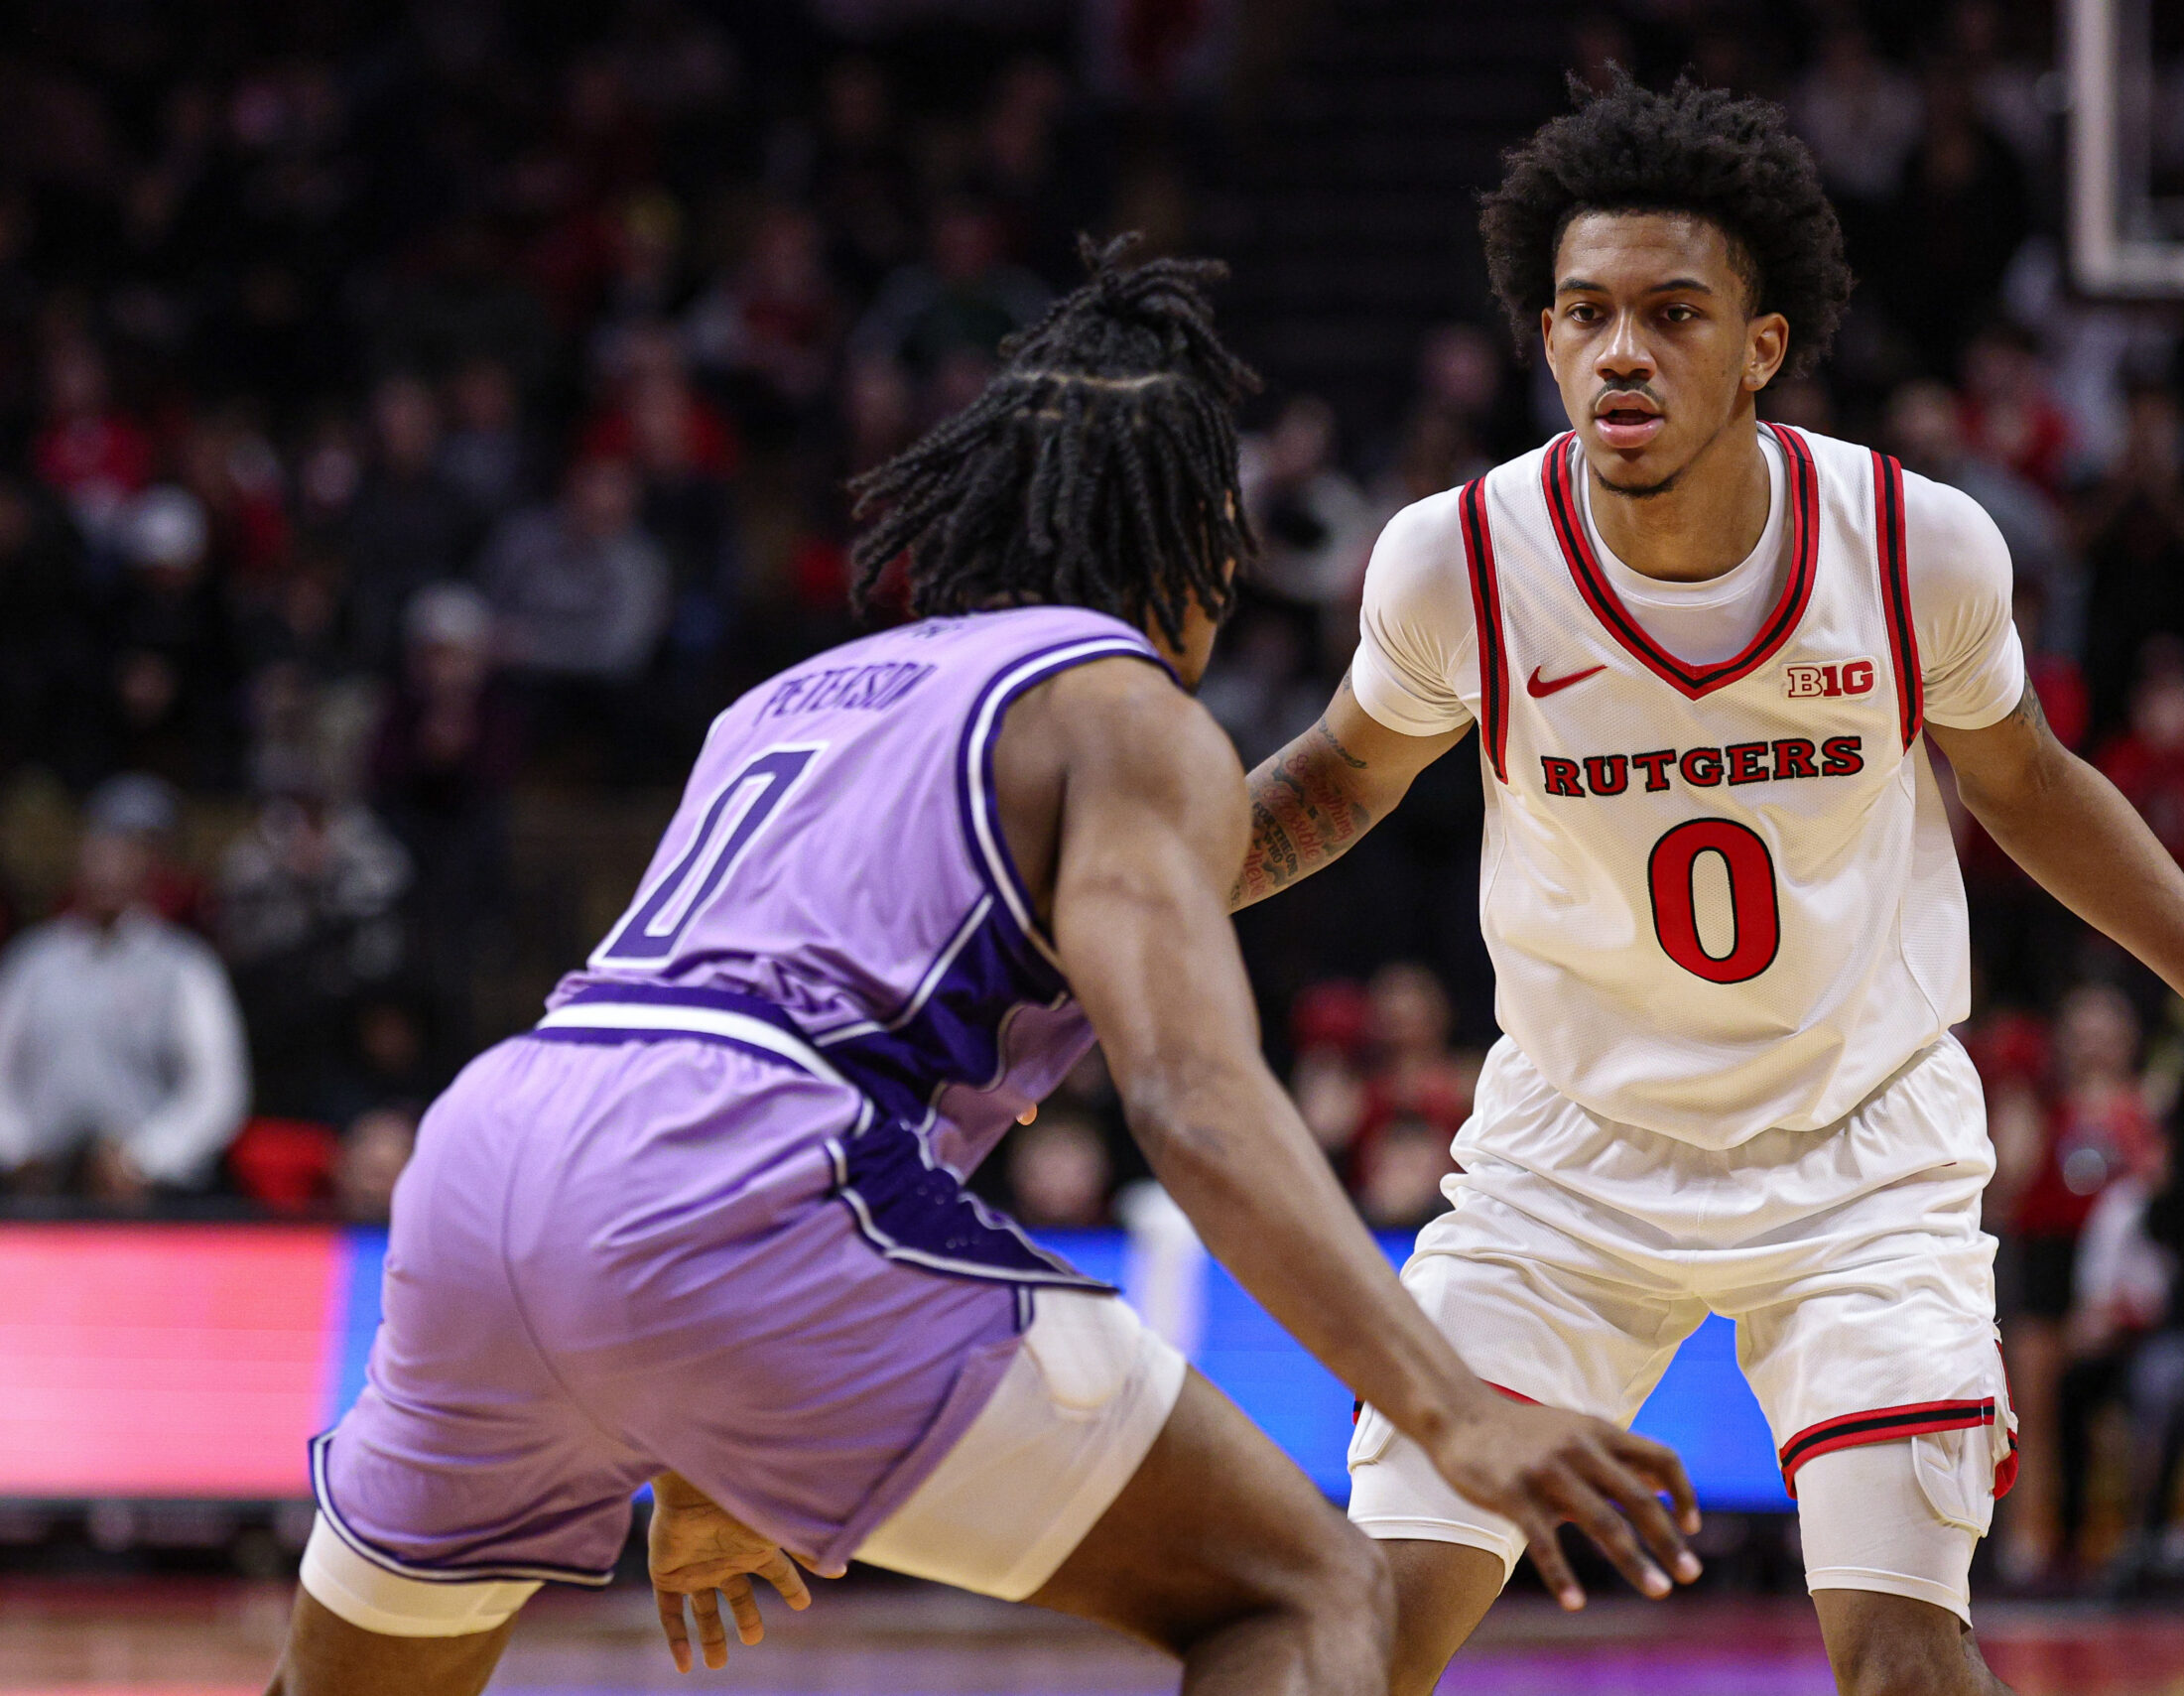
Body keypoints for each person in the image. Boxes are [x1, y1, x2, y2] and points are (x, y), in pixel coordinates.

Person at [267, 244, 1697, 1696]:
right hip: (744, 1187)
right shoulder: (1125, 712)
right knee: (1307, 1594)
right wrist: (1453, 1410)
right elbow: (1192, 1100)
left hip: (488, 1159)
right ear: (1196, 544)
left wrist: (706, 1454)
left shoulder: (790, 701)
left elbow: (738, 1037)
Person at [1231, 78, 2184, 1696]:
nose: (1620, 353)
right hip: (1568, 1161)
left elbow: (2030, 786)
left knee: (1906, 1655)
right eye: (1585, 314)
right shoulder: (1458, 560)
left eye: (1672, 313)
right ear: (1544, 335)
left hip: (1859, 1149)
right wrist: (1125, 900)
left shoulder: (1914, 547)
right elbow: (1339, 778)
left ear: (1763, 343)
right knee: (1357, 1640)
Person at [0, 777, 250, 1205]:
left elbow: (217, 1090)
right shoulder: (33, 961)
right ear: (78, 858)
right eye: (100, 852)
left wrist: (145, 1158)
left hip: (146, 1198)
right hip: (38, 1189)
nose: (110, 868)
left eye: (126, 855)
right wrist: (20, 1150)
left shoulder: (184, 965)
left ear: (149, 869)